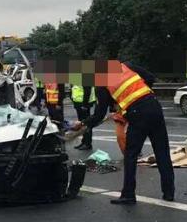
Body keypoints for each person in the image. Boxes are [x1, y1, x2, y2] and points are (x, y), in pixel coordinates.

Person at [74, 61, 174, 204]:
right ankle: (169, 192)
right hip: (154, 105)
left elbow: (99, 115)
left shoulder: (101, 84)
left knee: (131, 155)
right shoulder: (125, 66)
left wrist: (83, 123)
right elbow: (150, 78)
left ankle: (128, 194)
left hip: (137, 113)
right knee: (162, 152)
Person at [70, 84, 96, 150]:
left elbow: (87, 90)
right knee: (81, 123)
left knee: (86, 124)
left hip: (83, 103)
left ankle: (87, 143)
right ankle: (84, 142)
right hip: (79, 102)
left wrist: (85, 104)